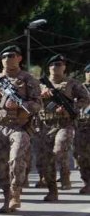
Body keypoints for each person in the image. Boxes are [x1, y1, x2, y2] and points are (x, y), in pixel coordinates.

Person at [0, 46, 41, 213]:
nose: (7, 59)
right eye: (4, 56)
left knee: (16, 159)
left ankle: (15, 193)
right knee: (0, 163)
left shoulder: (28, 79)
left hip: (19, 127)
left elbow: (38, 104)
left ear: (19, 58)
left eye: (11, 55)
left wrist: (20, 104)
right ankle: (7, 196)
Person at [38, 55, 89, 201]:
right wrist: (41, 96)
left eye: (59, 64)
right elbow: (30, 101)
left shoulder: (72, 83)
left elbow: (85, 99)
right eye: (53, 64)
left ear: (64, 67)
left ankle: (65, 175)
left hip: (65, 124)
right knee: (47, 159)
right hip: (46, 125)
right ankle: (52, 190)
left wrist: (71, 108)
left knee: (59, 149)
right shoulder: (40, 85)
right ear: (49, 68)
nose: (56, 67)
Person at [76, 63, 90, 194]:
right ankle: (87, 182)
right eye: (89, 71)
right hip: (83, 126)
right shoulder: (78, 88)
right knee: (82, 156)